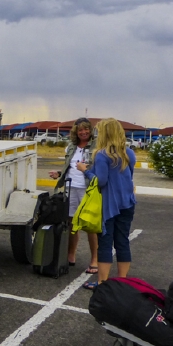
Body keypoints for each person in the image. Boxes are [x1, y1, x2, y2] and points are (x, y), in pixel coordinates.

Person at [78, 118, 137, 290]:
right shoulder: (129, 153)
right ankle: (122, 281)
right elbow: (128, 176)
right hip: (127, 203)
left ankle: (102, 283)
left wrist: (85, 171)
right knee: (122, 241)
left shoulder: (101, 155)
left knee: (105, 242)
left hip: (108, 205)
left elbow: (101, 181)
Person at [48, 118, 98, 273]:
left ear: (90, 130)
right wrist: (59, 173)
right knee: (71, 223)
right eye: (80, 130)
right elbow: (69, 167)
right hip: (71, 187)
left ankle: (94, 258)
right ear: (76, 132)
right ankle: (71, 254)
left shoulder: (97, 147)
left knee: (90, 225)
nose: (83, 132)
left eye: (86, 129)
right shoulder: (71, 147)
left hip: (87, 189)